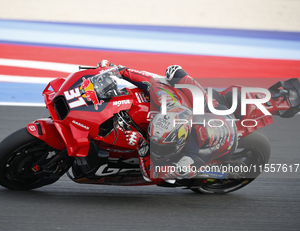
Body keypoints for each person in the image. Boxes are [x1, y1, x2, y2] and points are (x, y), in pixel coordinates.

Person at [95, 60, 238, 183]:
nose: (157, 149)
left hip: (222, 141)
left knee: (171, 179)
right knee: (174, 72)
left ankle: (217, 172)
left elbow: (152, 175)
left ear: (180, 143)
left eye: (163, 147)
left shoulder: (187, 159)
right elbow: (149, 80)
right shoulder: (167, 101)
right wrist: (117, 70)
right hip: (202, 112)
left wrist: (143, 146)